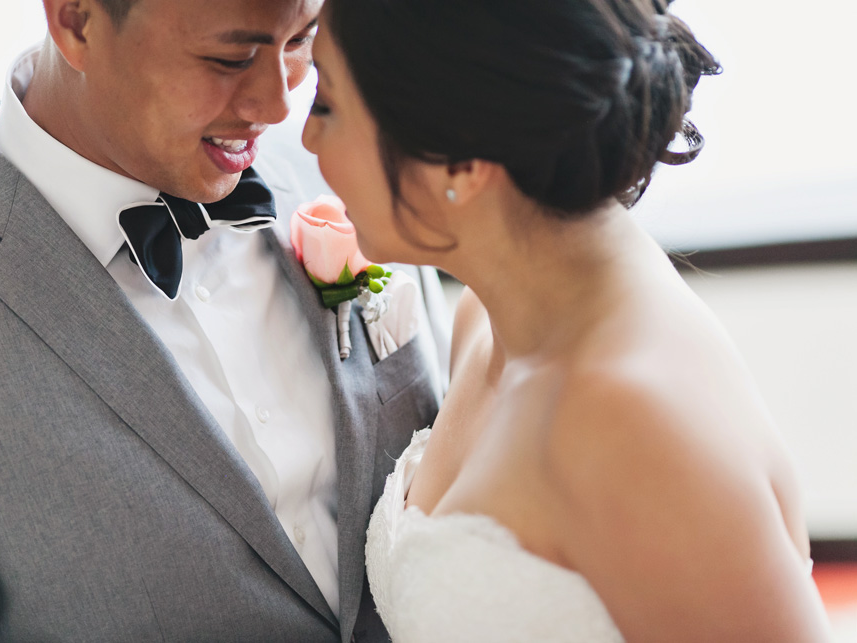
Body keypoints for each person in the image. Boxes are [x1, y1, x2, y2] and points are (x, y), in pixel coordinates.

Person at [0, 0, 450, 640]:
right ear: (76, 19)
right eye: (230, 58)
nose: (277, 104)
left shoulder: (353, 161)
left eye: (301, 39)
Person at [302, 0, 834, 640]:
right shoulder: (488, 323)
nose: (305, 138)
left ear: (459, 158)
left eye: (327, 103)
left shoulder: (632, 418)